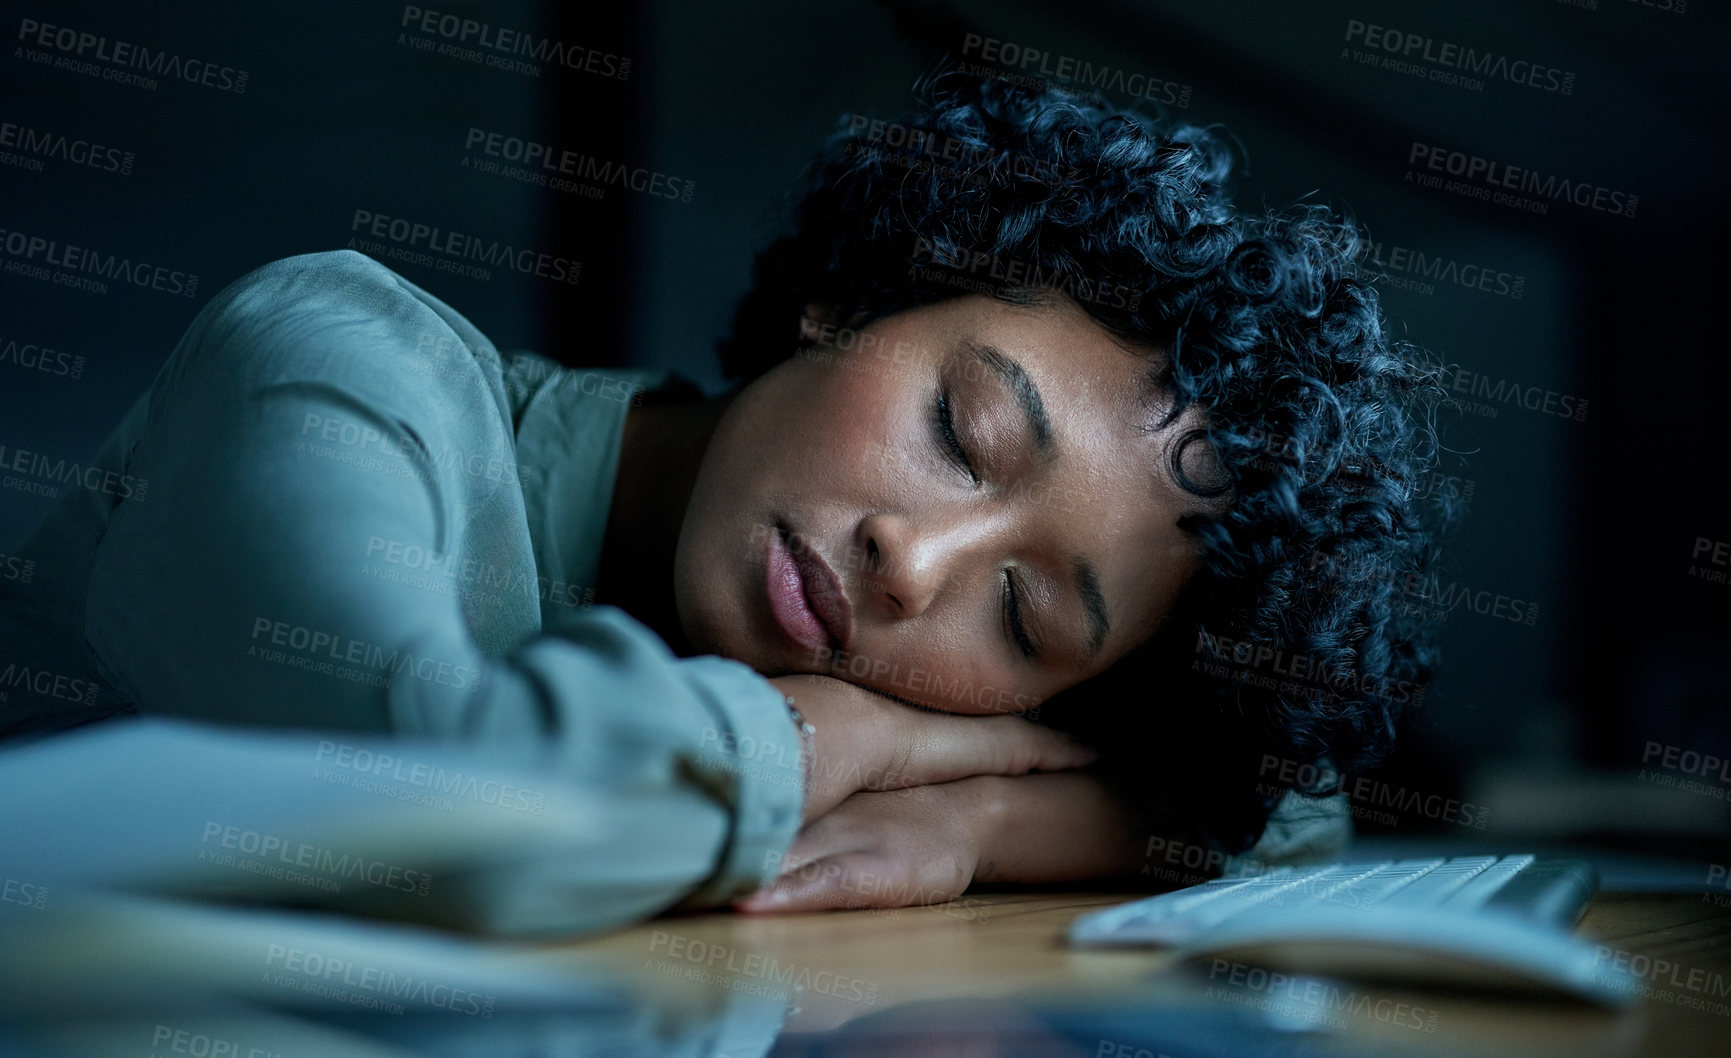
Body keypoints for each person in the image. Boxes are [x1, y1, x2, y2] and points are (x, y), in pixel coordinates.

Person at [0, 72, 1448, 925]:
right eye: (962, 428)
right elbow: (454, 808)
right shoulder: (332, 371)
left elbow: (1283, 818)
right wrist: (849, 732)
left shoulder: (964, 702)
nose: (914, 560)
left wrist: (980, 829)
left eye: (1023, 618)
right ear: (849, 297)